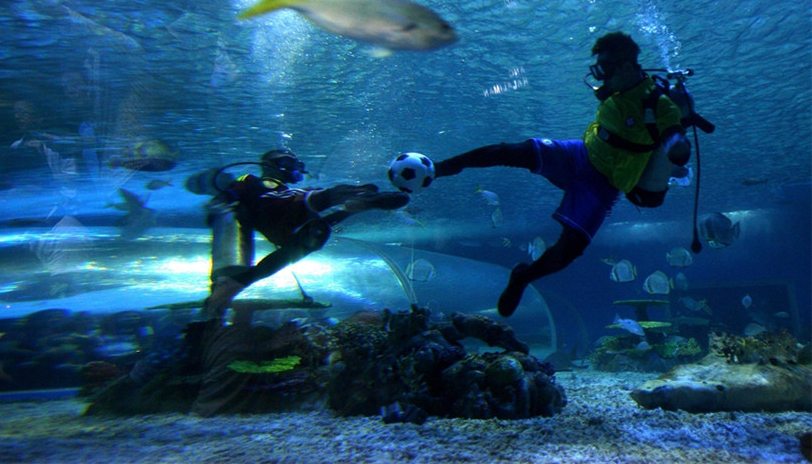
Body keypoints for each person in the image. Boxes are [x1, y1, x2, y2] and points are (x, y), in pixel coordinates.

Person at [430, 32, 691, 317]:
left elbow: (672, 132)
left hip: (604, 184)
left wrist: (677, 147)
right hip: (579, 153)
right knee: (511, 151)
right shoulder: (617, 88)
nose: (600, 77)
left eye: (604, 68)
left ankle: (523, 277)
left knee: (569, 250)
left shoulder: (659, 104)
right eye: (597, 69)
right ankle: (444, 166)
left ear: (628, 66)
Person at [195, 149, 410, 318]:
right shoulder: (251, 180)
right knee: (314, 199)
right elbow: (233, 191)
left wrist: (219, 205)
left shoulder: (278, 189)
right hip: (273, 208)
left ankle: (351, 204)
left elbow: (229, 196)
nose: (292, 169)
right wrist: (220, 202)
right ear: (268, 165)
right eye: (287, 163)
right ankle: (353, 200)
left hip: (282, 226)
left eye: (295, 165)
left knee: (318, 231)